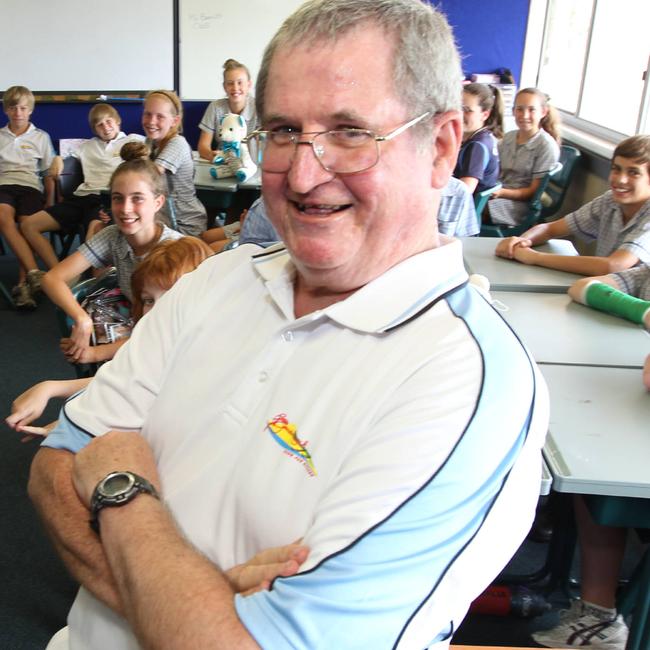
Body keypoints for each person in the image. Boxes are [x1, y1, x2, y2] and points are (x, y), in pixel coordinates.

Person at [29, 2, 549, 648]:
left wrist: (120, 487)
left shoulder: (467, 382)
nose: (304, 175)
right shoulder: (219, 280)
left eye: (350, 132)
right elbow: (54, 468)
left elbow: (91, 461)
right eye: (281, 132)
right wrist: (203, 605)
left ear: (440, 148)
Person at [6, 237, 214, 441]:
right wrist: (52, 390)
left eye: (170, 297)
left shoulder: (208, 351)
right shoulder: (164, 342)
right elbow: (124, 379)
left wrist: (79, 422)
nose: (154, 312)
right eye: (148, 300)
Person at [41, 142, 183, 366]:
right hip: (140, 326)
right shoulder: (113, 236)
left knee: (92, 354)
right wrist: (81, 319)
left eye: (137, 198)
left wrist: (96, 353)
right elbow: (52, 278)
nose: (125, 209)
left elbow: (160, 337)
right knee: (88, 334)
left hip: (169, 346)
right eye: (118, 198)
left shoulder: (172, 251)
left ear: (158, 203)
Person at [495, 135, 650, 275]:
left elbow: (613, 266)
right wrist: (522, 241)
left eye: (633, 172)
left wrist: (534, 257)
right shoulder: (609, 201)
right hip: (604, 290)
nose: (621, 180)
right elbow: (550, 228)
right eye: (616, 169)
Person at [20, 104, 143, 272]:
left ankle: (93, 286)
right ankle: (62, 275)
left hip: (106, 199)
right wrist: (57, 159)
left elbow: (147, 157)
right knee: (28, 225)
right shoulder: (86, 146)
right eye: (99, 124)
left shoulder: (132, 140)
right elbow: (64, 158)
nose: (105, 127)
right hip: (80, 197)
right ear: (94, 129)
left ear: (118, 122)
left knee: (95, 234)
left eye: (109, 121)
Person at [0, 85, 55, 309]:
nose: (18, 113)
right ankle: (34, 273)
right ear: (6, 110)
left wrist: (50, 202)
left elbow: (50, 173)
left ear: (30, 110)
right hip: (4, 184)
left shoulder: (41, 137)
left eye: (23, 108)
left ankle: (23, 284)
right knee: (3, 217)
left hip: (30, 186)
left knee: (26, 225)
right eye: (13, 108)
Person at [487, 87, 561, 226]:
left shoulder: (545, 145)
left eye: (531, 110)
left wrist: (502, 193)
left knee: (474, 208)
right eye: (519, 109)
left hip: (521, 205)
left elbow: (533, 192)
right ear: (513, 111)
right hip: (498, 193)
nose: (524, 115)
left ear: (543, 112)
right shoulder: (508, 137)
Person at [142, 89, 207, 236]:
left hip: (184, 224)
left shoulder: (177, 143)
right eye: (147, 114)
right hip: (163, 220)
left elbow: (149, 176)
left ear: (174, 121)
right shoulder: (150, 142)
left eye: (160, 117)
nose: (152, 121)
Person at [198, 59, 259, 162]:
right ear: (224, 87)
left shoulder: (259, 108)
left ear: (248, 85)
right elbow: (203, 146)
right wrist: (213, 156)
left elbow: (266, 145)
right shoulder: (215, 107)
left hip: (252, 167)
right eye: (230, 83)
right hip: (224, 165)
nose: (235, 88)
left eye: (240, 83)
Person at [454, 82, 503, 194]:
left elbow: (465, 191)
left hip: (471, 208)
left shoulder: (477, 146)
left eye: (467, 110)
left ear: (485, 115)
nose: (460, 114)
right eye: (458, 108)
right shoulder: (484, 136)